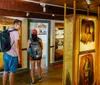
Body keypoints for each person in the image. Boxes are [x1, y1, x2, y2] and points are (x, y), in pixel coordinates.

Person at [2, 19, 21, 85]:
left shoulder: (8, 30)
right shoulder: (15, 32)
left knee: (5, 71)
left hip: (5, 53)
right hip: (12, 55)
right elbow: (17, 46)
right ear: (15, 24)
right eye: (19, 25)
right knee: (12, 72)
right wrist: (19, 57)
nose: (19, 27)